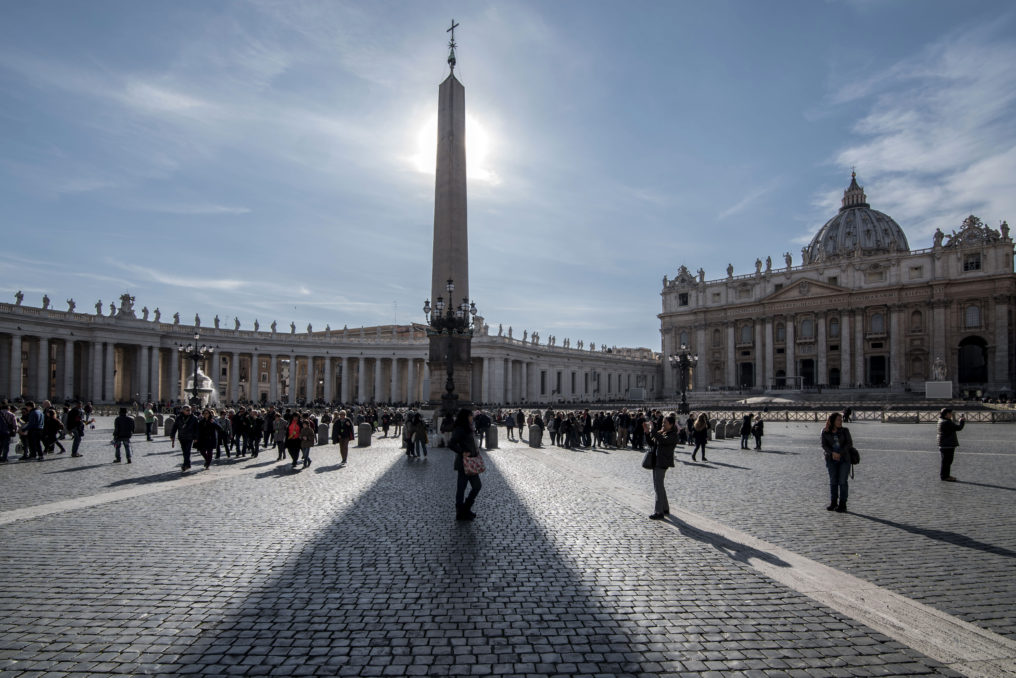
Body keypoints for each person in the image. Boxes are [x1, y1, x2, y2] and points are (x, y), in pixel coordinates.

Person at [449, 409, 482, 521]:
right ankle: (460, 512)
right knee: (461, 488)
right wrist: (462, 452)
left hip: (472, 462)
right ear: (465, 417)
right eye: (470, 416)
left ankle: (466, 508)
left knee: (477, 486)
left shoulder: (468, 428)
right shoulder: (460, 429)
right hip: (463, 463)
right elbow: (451, 444)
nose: (472, 417)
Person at [646, 413, 678, 520]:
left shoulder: (673, 435)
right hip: (656, 461)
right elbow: (652, 444)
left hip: (662, 462)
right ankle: (665, 508)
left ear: (671, 424)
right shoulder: (663, 433)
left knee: (658, 487)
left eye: (665, 423)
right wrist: (647, 433)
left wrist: (654, 430)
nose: (663, 424)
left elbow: (664, 441)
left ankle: (659, 512)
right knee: (659, 485)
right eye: (663, 422)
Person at [821, 412, 853, 512]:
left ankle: (843, 504)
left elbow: (849, 444)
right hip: (831, 459)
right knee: (833, 481)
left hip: (844, 459)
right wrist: (832, 453)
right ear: (832, 421)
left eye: (841, 420)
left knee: (843, 481)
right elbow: (824, 445)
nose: (840, 422)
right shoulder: (825, 431)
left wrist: (840, 453)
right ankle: (833, 502)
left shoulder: (845, 431)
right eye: (838, 420)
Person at [937, 408, 965, 482]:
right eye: (950, 413)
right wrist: (962, 421)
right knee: (947, 461)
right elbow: (958, 428)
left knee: (946, 461)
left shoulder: (942, 420)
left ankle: (946, 475)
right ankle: (945, 476)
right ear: (946, 414)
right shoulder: (946, 422)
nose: (951, 414)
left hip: (944, 444)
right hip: (947, 444)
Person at [175, 405, 199, 472]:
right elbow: (175, 427)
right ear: (183, 411)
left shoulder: (194, 418)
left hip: (189, 437)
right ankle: (188, 464)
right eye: (187, 410)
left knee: (187, 451)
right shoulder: (179, 417)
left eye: (190, 410)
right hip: (181, 436)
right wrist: (172, 435)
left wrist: (196, 437)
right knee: (184, 451)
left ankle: (185, 465)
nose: (189, 411)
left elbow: (197, 429)